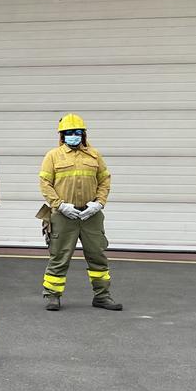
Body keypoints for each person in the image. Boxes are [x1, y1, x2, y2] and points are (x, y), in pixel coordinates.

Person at [38, 113, 121, 311]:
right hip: (63, 215)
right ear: (62, 135)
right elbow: (45, 183)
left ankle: (102, 296)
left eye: (76, 132)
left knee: (97, 255)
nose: (72, 136)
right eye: (68, 133)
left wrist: (98, 204)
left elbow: (104, 180)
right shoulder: (53, 156)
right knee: (59, 256)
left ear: (83, 134)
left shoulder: (94, 155)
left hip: (91, 216)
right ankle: (52, 296)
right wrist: (60, 205)